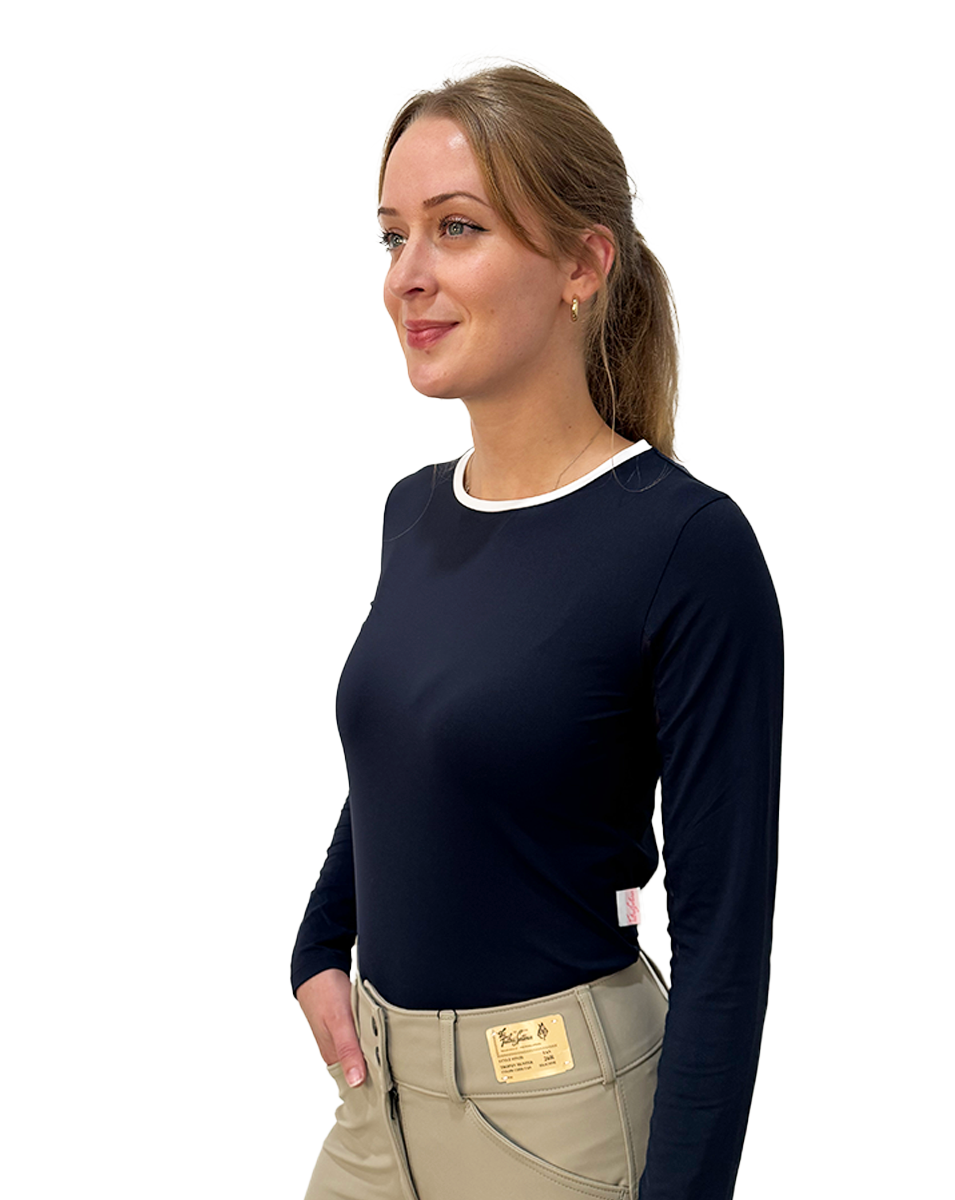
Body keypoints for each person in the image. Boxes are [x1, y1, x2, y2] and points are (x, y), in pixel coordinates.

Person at [290, 65, 783, 1200]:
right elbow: (414, 753)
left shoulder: (686, 546)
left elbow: (724, 945)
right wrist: (319, 940)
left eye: (457, 228)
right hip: (379, 1104)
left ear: (582, 264)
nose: (408, 276)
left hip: (559, 1122)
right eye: (393, 236)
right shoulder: (415, 512)